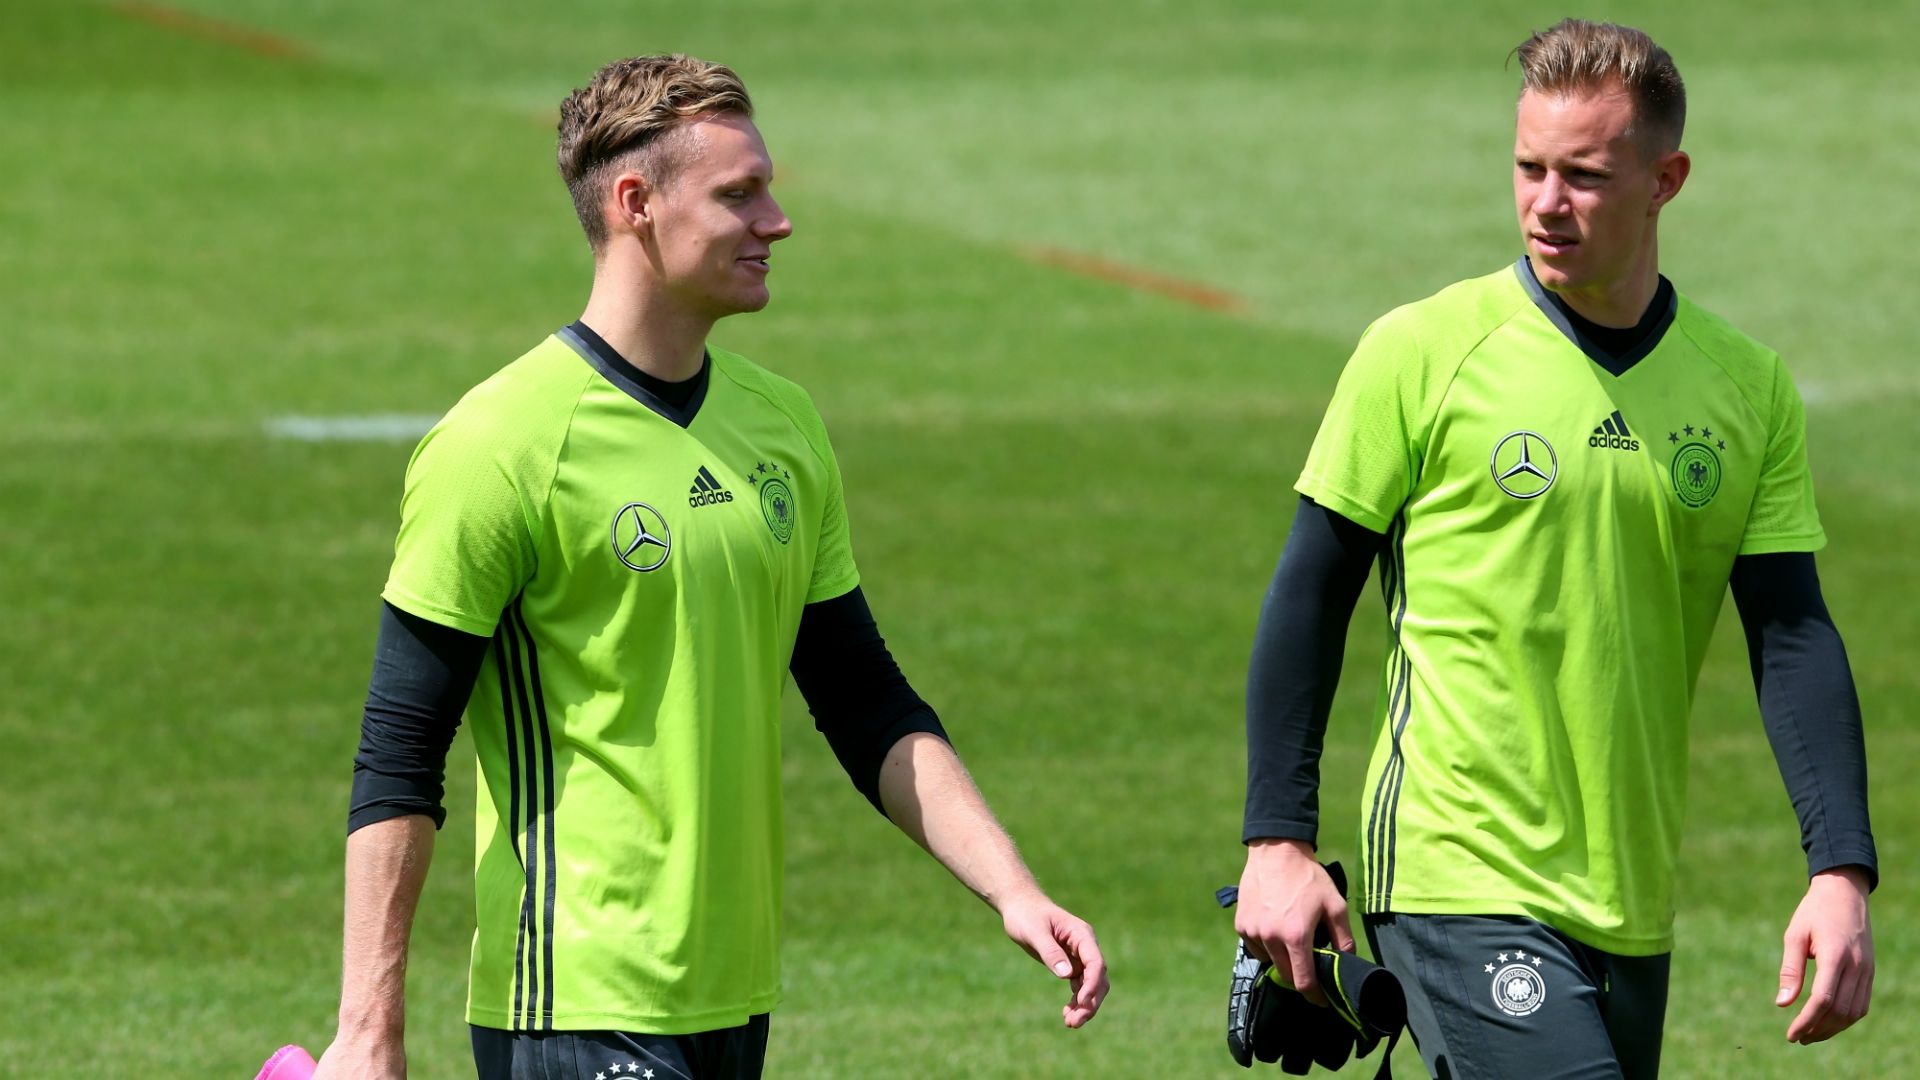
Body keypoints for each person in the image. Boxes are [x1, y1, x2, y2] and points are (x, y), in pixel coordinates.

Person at [312, 54, 1107, 1080]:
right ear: (637, 204)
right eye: (741, 194)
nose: (777, 221)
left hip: (734, 1000)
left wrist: (1013, 888)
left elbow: (867, 704)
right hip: (575, 1003)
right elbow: (399, 755)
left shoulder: (782, 427)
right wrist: (368, 1033)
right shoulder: (501, 444)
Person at [1234, 19, 1875, 1078]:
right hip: (1454, 873)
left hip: (1629, 902)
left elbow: (1794, 637)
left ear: (1665, 179)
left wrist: (1840, 870)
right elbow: (1309, 594)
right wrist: (1277, 841)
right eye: (1528, 167)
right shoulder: (1424, 351)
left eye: (1583, 175)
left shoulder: (1747, 389)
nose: (1546, 201)